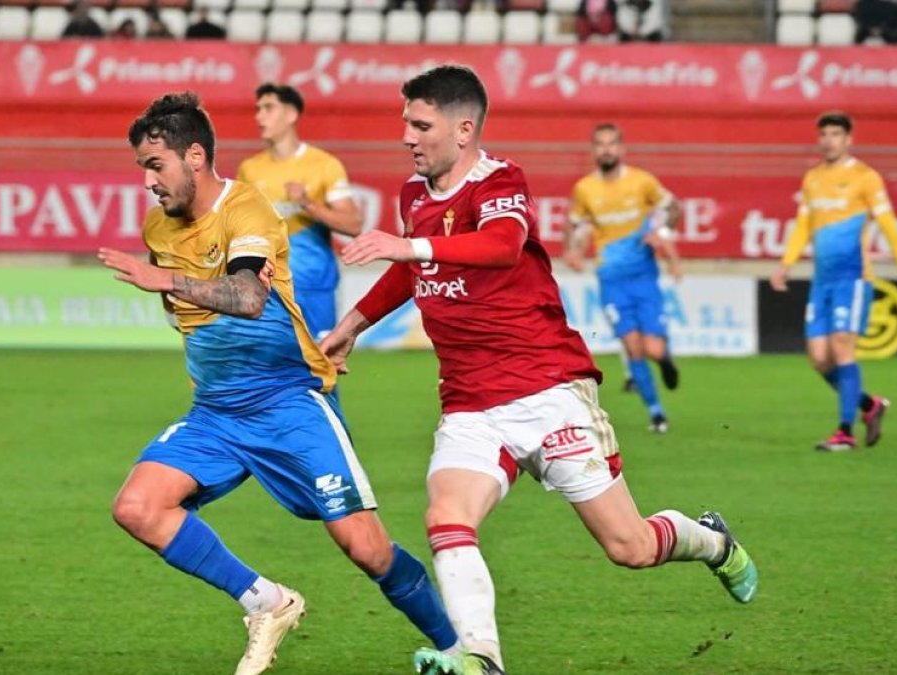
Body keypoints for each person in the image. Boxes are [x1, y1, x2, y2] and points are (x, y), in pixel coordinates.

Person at [319, 66, 757, 675]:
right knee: (447, 516)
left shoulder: (502, 181)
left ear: (464, 128)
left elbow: (499, 245)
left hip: (548, 390)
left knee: (628, 546)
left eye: (420, 125)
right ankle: (481, 658)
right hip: (470, 403)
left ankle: (713, 541)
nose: (407, 138)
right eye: (405, 125)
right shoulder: (414, 196)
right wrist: (349, 327)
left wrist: (408, 246)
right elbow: (409, 268)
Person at [98, 92, 458, 675]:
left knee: (366, 548)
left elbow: (248, 295)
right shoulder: (158, 228)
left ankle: (460, 651)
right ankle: (267, 601)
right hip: (216, 411)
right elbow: (187, 314)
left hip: (286, 403)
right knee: (138, 506)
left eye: (154, 166)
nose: (148, 182)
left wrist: (164, 279)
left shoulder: (249, 210)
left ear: (194, 156)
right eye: (142, 168)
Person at [771, 111, 897, 451]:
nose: (828, 140)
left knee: (842, 344)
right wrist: (786, 264)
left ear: (849, 139)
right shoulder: (812, 179)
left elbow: (888, 224)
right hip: (822, 280)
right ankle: (869, 406)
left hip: (853, 277)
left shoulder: (866, 178)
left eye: (835, 134)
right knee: (819, 358)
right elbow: (803, 226)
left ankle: (845, 432)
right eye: (824, 134)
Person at [563, 123, 683, 433]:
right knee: (632, 348)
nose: (606, 149)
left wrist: (663, 233)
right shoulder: (585, 188)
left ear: (621, 148)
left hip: (644, 276)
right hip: (610, 279)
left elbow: (673, 207)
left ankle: (666, 360)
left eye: (611, 144)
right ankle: (657, 413)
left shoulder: (642, 182)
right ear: (593, 151)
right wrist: (573, 251)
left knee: (654, 350)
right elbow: (577, 224)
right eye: (600, 144)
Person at [237, 84, 362, 338]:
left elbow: (353, 224)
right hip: (267, 287)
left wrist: (307, 203)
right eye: (258, 109)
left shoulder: (324, 165)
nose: (259, 116)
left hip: (313, 284)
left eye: (268, 108)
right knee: (270, 370)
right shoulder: (249, 170)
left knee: (319, 367)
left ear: (292, 114)